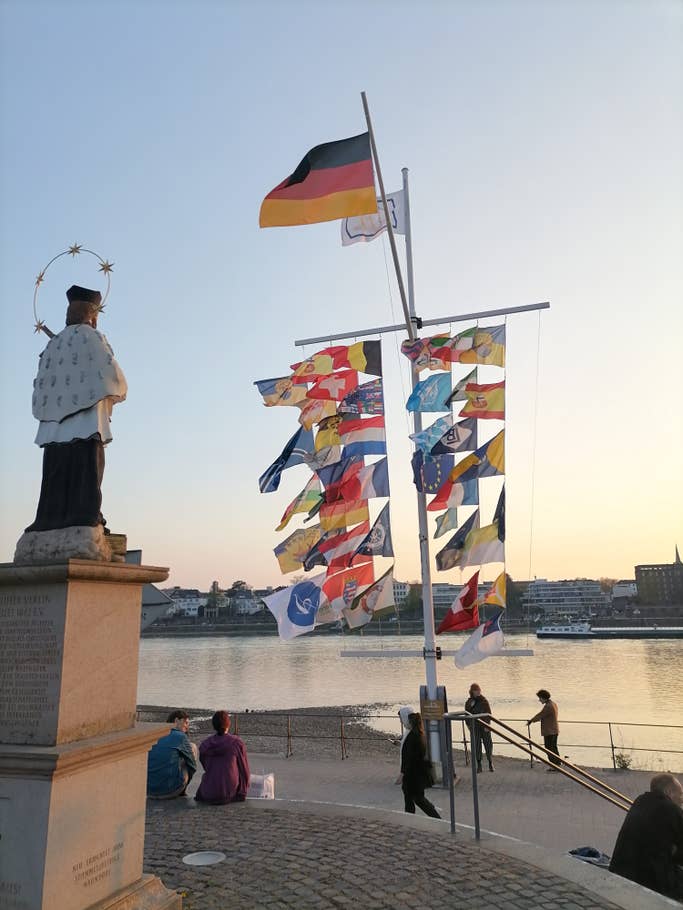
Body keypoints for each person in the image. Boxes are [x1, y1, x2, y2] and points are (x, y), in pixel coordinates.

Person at [25, 285, 127, 535]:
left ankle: (50, 518)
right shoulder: (94, 337)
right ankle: (85, 516)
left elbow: (41, 381)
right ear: (92, 316)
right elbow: (112, 375)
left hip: (54, 426)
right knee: (86, 468)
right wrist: (118, 392)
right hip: (86, 422)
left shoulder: (53, 345)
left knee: (55, 471)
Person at [609, 773, 683, 900]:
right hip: (650, 879)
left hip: (620, 869)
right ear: (668, 792)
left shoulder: (639, 801)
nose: (682, 799)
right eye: (680, 794)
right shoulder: (672, 810)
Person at [195, 710, 250, 805]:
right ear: (228, 724)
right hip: (229, 791)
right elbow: (244, 770)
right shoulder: (236, 743)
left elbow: (205, 764)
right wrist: (243, 790)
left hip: (209, 791)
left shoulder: (205, 744)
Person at [147, 710, 198, 799]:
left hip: (149, 790)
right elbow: (192, 766)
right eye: (185, 723)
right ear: (176, 720)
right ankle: (182, 790)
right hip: (170, 791)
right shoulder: (180, 736)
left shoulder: (155, 733)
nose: (187, 727)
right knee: (192, 747)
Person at [400, 711, 441, 819]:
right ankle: (410, 818)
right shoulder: (419, 734)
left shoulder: (413, 736)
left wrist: (403, 773)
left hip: (413, 774)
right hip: (417, 772)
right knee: (412, 798)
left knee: (417, 799)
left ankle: (436, 817)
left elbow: (410, 757)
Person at [464, 683, 495, 772]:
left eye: (479, 690)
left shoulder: (484, 700)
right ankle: (479, 764)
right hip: (475, 726)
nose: (478, 692)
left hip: (484, 725)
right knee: (477, 745)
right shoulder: (469, 702)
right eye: (476, 690)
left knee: (488, 744)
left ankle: (490, 762)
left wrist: (488, 725)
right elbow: (467, 715)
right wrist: (469, 726)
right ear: (472, 691)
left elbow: (489, 713)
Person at [528, 689, 561, 770]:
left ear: (543, 697)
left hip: (550, 731)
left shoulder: (548, 706)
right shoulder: (553, 703)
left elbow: (540, 715)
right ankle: (557, 764)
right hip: (554, 729)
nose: (539, 700)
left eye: (540, 698)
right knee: (553, 747)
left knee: (549, 748)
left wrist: (531, 720)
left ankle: (554, 766)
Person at [395, 705, 416, 785]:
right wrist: (400, 744)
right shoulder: (408, 730)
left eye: (401, 719)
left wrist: (402, 775)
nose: (400, 721)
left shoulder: (414, 732)